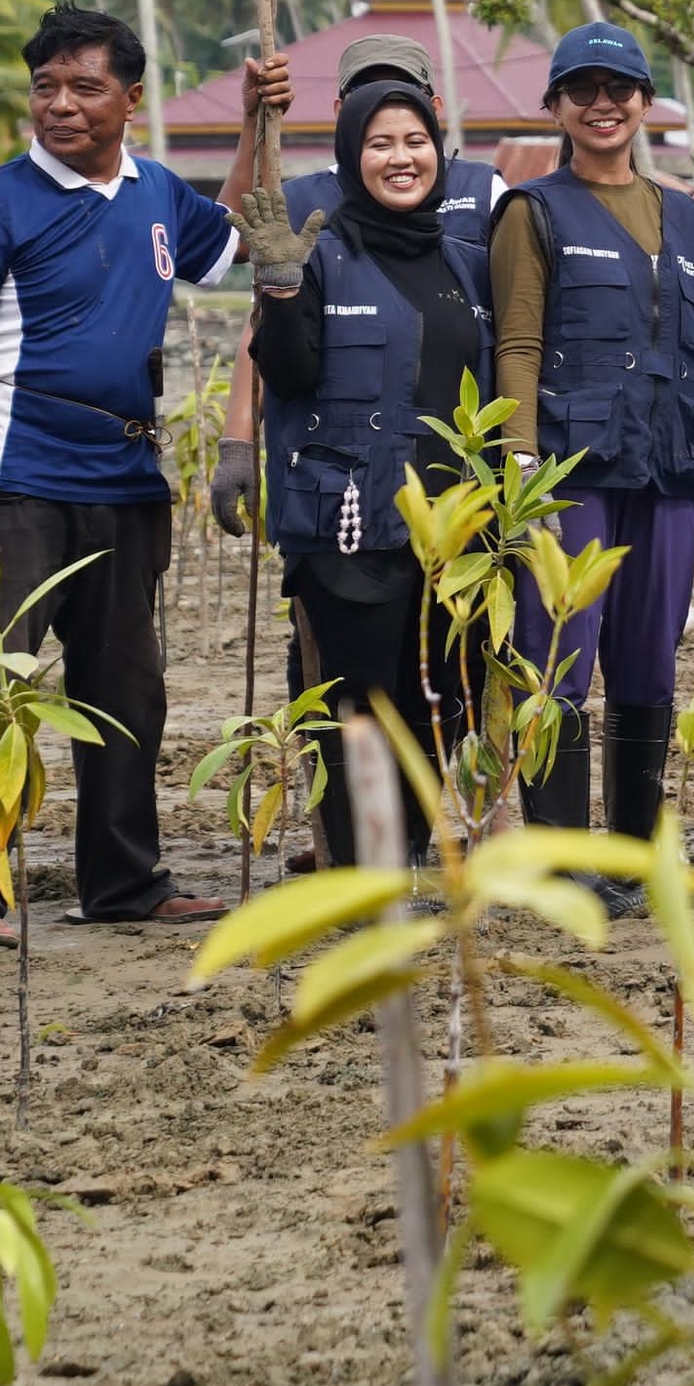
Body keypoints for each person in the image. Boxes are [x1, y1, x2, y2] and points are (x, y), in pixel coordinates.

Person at [0, 6, 273, 944]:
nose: (61, 106)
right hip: (14, 478)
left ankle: (123, 879)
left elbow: (223, 238)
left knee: (126, 686)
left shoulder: (155, 192)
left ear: (131, 97)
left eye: (84, 87)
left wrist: (250, 126)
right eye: (45, 87)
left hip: (125, 476)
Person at [483, 24, 694, 864]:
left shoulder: (688, 219)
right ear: (555, 105)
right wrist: (517, 465)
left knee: (649, 662)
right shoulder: (533, 211)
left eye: (618, 89)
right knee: (558, 659)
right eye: (581, 90)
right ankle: (560, 859)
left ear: (645, 103)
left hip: (669, 470)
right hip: (569, 470)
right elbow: (516, 342)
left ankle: (628, 854)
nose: (602, 104)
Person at [243, 78, 498, 869]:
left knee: (443, 706)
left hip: (453, 531)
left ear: (439, 153)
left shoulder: (469, 263)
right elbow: (285, 375)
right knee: (359, 709)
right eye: (380, 143)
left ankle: (408, 852)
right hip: (352, 524)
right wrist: (281, 289)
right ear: (352, 156)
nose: (401, 158)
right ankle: (359, 875)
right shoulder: (317, 252)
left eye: (415, 141)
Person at [207, 32, 494, 549]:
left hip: (452, 469)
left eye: (402, 94)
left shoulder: (482, 191)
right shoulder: (299, 199)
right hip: (340, 476)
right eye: (366, 95)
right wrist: (238, 440)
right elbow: (263, 325)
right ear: (342, 109)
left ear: (432, 108)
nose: (386, 108)